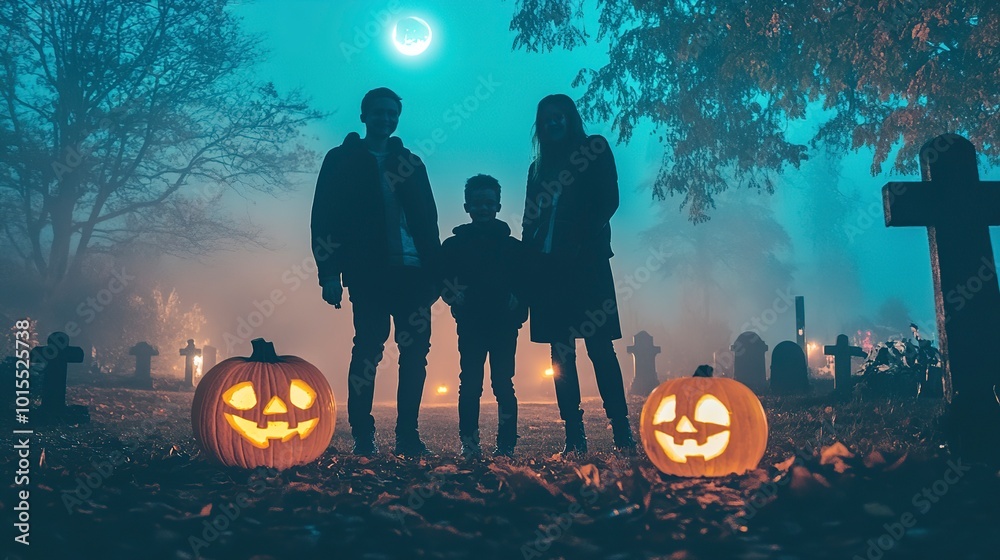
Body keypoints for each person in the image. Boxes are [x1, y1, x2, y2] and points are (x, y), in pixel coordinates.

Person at [311, 87, 441, 457]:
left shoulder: (412, 164)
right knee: (368, 349)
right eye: (378, 112)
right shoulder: (341, 160)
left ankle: (407, 435)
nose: (385, 118)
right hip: (368, 272)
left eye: (391, 113)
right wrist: (328, 273)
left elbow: (428, 222)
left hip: (414, 272)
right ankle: (363, 436)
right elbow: (324, 219)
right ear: (364, 115)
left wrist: (437, 275)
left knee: (415, 353)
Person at [520, 93, 636, 455]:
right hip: (548, 270)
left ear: (571, 119)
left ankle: (621, 431)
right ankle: (574, 434)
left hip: (587, 266)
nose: (553, 123)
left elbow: (608, 201)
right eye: (546, 119)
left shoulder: (594, 150)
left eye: (559, 117)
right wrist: (527, 265)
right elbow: (530, 219)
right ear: (539, 126)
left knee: (601, 348)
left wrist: (578, 242)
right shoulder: (537, 167)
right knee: (560, 353)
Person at [440, 174, 528, 458]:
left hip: (504, 324)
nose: (483, 208)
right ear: (467, 206)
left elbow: (526, 282)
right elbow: (442, 278)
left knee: (503, 383)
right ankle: (470, 442)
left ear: (498, 206)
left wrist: (519, 301)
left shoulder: (513, 248)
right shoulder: (453, 247)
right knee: (471, 383)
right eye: (477, 203)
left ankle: (506, 445)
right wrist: (454, 295)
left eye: (489, 203)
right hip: (471, 324)